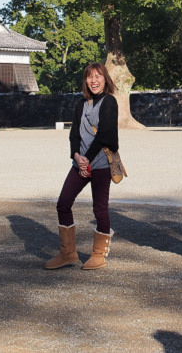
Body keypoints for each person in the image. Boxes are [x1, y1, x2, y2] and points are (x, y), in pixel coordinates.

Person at [45, 62, 118, 270]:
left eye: (98, 76)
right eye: (89, 77)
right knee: (63, 203)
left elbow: (106, 135)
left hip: (100, 164)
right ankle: (68, 253)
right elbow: (74, 133)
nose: (93, 81)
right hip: (80, 163)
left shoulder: (109, 102)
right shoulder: (81, 104)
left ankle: (98, 254)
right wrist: (77, 156)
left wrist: (87, 158)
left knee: (100, 209)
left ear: (105, 79)